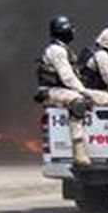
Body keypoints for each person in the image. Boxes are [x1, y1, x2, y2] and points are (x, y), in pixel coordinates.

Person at [34, 15, 94, 166]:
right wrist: (84, 92)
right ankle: (78, 150)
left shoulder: (63, 49)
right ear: (63, 30)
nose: (73, 31)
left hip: (63, 89)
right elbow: (67, 78)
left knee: (105, 98)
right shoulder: (57, 51)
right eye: (70, 28)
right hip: (52, 90)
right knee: (78, 103)